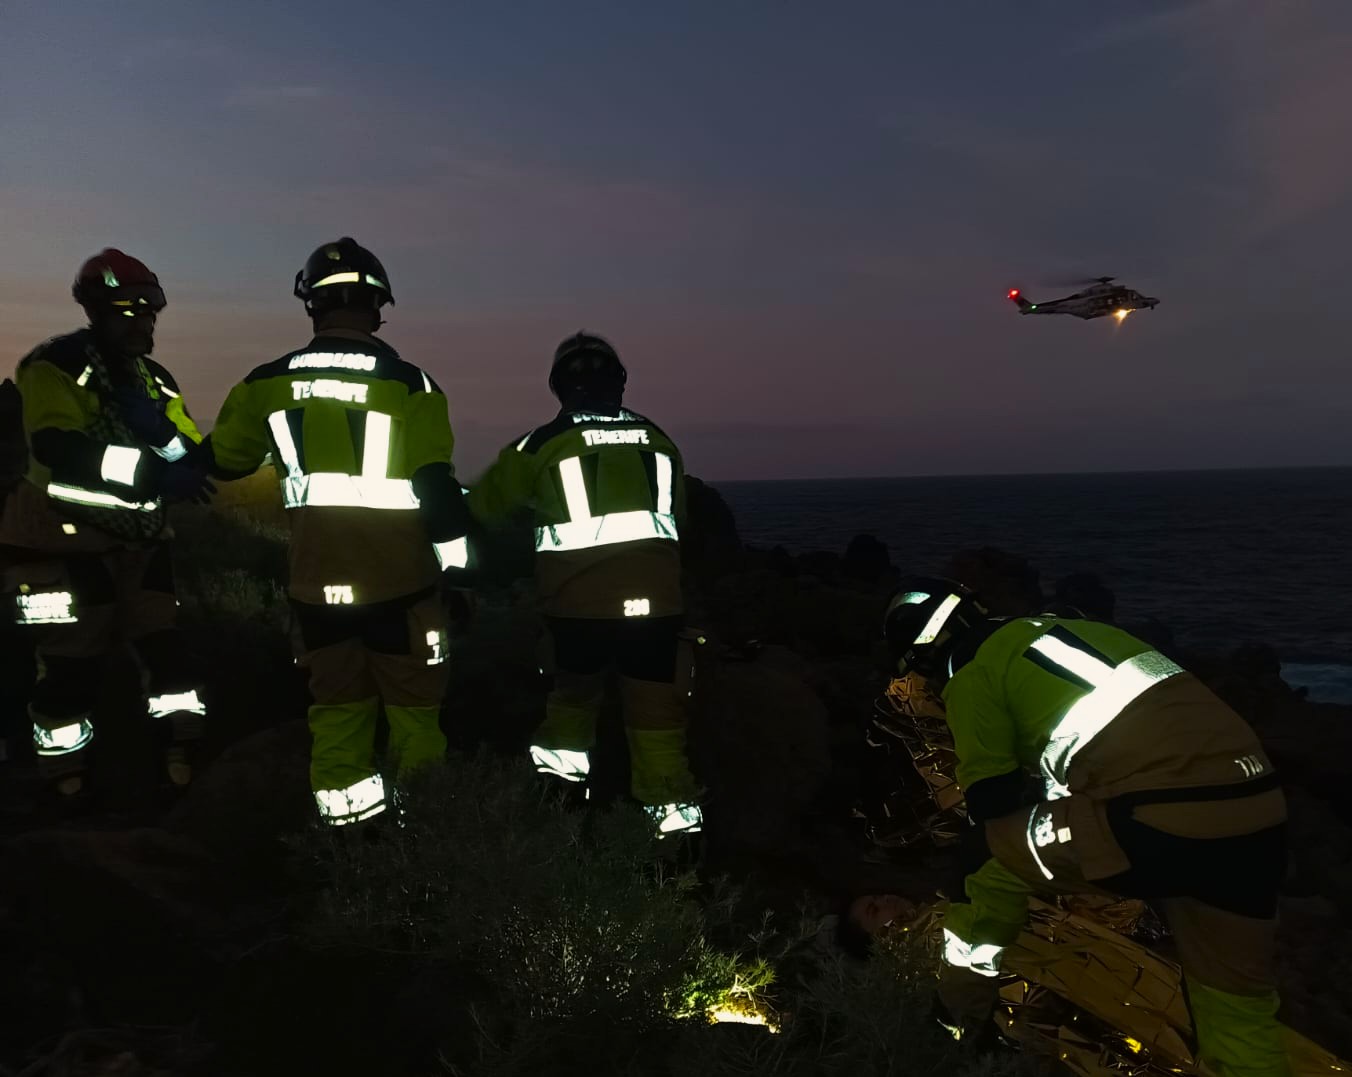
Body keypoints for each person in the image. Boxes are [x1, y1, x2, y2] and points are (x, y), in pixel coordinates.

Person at [883, 578, 1289, 1077]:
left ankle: (955, 1015)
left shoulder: (972, 669)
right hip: (1260, 812)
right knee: (1235, 1004)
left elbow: (993, 801)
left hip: (1158, 819)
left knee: (985, 856)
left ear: (923, 658)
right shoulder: (1069, 629)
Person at [205, 238, 469, 827]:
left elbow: (224, 461)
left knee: (338, 714)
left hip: (316, 591)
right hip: (403, 591)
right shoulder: (411, 385)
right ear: (378, 305)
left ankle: (350, 844)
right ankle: (426, 846)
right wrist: (462, 575)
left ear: (310, 306)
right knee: (415, 718)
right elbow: (438, 492)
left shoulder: (263, 383)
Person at [466, 332, 701, 835]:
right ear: (619, 382)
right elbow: (679, 520)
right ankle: (676, 848)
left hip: (575, 614)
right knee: (659, 726)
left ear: (558, 388)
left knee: (571, 710)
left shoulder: (541, 445)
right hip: (656, 615)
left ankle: (561, 816)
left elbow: (482, 509)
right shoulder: (659, 439)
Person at [0, 249, 214, 798]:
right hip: (58, 542)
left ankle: (181, 755)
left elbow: (187, 452)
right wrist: (151, 473)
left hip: (142, 544)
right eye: (128, 310)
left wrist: (165, 440)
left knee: (171, 658)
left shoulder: (156, 383)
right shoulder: (54, 366)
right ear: (96, 310)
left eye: (148, 312)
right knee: (69, 668)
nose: (142, 322)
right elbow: (58, 446)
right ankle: (63, 780)